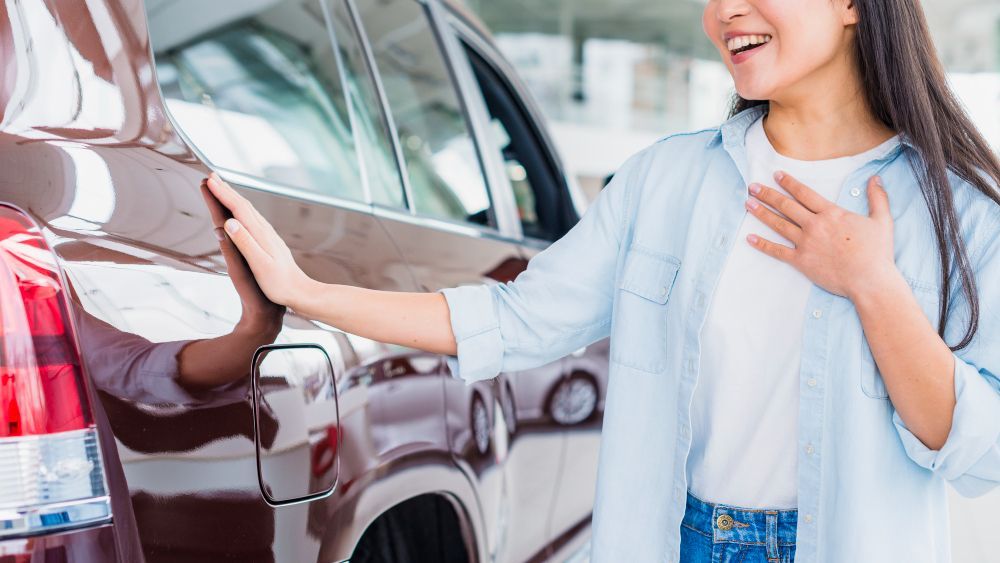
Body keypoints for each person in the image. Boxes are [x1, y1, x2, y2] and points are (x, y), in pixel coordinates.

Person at [203, 0, 1000, 560]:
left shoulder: (959, 212)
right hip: (676, 541)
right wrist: (305, 291)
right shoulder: (664, 180)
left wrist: (872, 285)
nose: (726, 11)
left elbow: (978, 446)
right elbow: (517, 319)